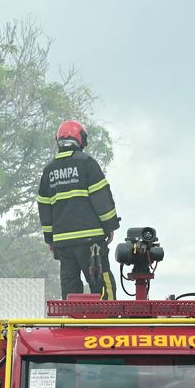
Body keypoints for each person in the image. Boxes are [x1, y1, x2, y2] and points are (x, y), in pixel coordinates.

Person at [38, 119, 120, 298]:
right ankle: (109, 320)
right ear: (81, 139)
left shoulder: (48, 171)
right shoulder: (87, 163)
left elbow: (44, 208)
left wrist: (50, 239)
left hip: (63, 243)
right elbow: (102, 199)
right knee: (101, 285)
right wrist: (110, 226)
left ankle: (73, 322)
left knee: (70, 287)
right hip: (91, 241)